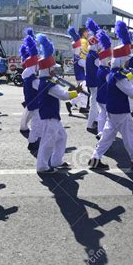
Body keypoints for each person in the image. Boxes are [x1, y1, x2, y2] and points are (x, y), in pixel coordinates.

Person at [88, 21, 133, 171]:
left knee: (107, 137)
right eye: (127, 59)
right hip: (121, 111)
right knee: (128, 137)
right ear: (122, 59)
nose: (129, 61)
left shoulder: (113, 73)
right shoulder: (119, 76)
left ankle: (95, 158)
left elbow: (127, 88)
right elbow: (132, 93)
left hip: (113, 110)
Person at [36, 33, 82, 174]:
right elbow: (64, 95)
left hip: (52, 115)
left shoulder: (47, 82)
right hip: (49, 116)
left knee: (62, 137)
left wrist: (71, 90)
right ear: (48, 69)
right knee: (48, 142)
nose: (55, 69)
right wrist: (76, 91)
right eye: (53, 68)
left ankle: (57, 161)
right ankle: (42, 166)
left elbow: (61, 91)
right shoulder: (48, 84)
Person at [19, 31, 42, 152]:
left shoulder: (29, 74)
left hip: (32, 101)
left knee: (36, 121)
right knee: (36, 123)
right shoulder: (32, 78)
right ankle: (32, 142)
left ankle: (34, 138)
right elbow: (41, 88)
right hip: (35, 102)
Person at [66, 26, 88, 115]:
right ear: (83, 33)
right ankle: (77, 105)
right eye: (87, 32)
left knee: (83, 89)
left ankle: (80, 106)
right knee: (84, 89)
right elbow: (86, 52)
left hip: (78, 66)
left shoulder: (75, 43)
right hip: (81, 64)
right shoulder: (83, 41)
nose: (88, 33)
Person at [95, 29, 112, 140]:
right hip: (106, 96)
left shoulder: (100, 68)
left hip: (100, 95)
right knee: (107, 116)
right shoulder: (106, 71)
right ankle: (104, 134)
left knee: (102, 114)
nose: (111, 60)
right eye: (109, 58)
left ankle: (100, 132)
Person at [85, 18, 101, 133]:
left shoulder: (89, 55)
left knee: (93, 102)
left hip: (91, 81)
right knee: (95, 104)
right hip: (95, 82)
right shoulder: (95, 56)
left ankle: (94, 121)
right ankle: (91, 124)